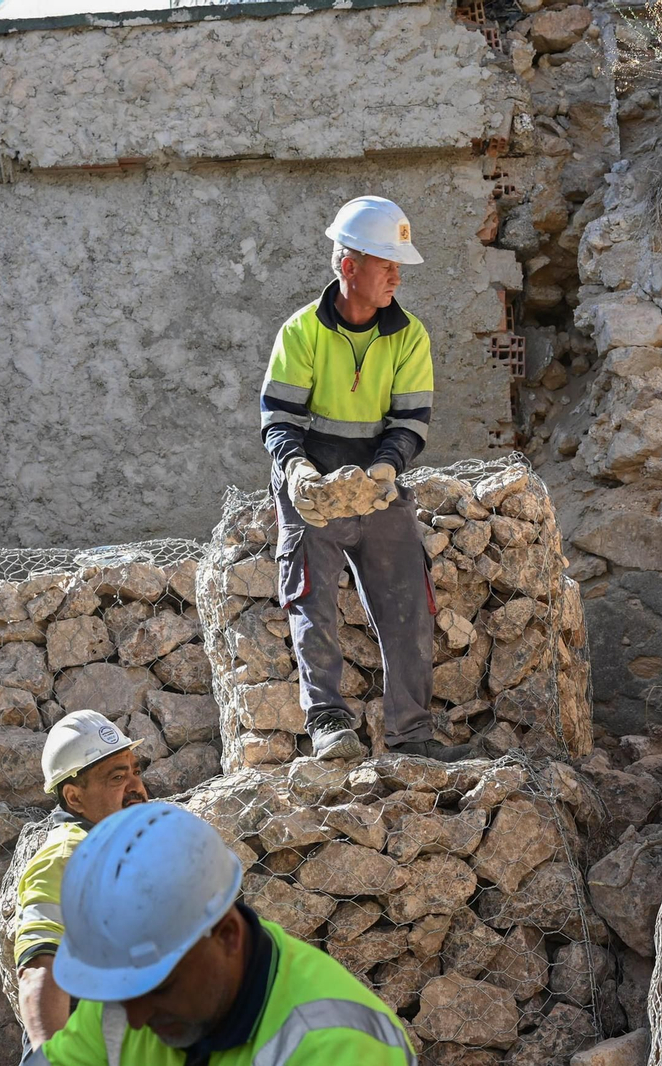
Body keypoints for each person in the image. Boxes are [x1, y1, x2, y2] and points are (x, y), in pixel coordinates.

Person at [259, 195, 470, 763]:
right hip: (311, 480)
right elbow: (279, 421)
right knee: (311, 597)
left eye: (399, 264)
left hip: (380, 478)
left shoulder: (410, 336)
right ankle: (329, 722)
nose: (397, 275)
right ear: (349, 266)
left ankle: (412, 735)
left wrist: (382, 472)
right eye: (386, 263)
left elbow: (409, 422)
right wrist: (300, 473)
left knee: (408, 601)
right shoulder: (301, 331)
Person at [29, 803, 414, 1066]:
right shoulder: (130, 989)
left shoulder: (338, 1046)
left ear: (228, 935)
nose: (134, 1019)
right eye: (121, 993)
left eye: (160, 987)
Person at [14, 710, 148, 1060]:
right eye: (118, 777)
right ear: (74, 798)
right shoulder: (67, 856)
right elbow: (39, 970)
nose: (136, 787)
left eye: (135, 772)